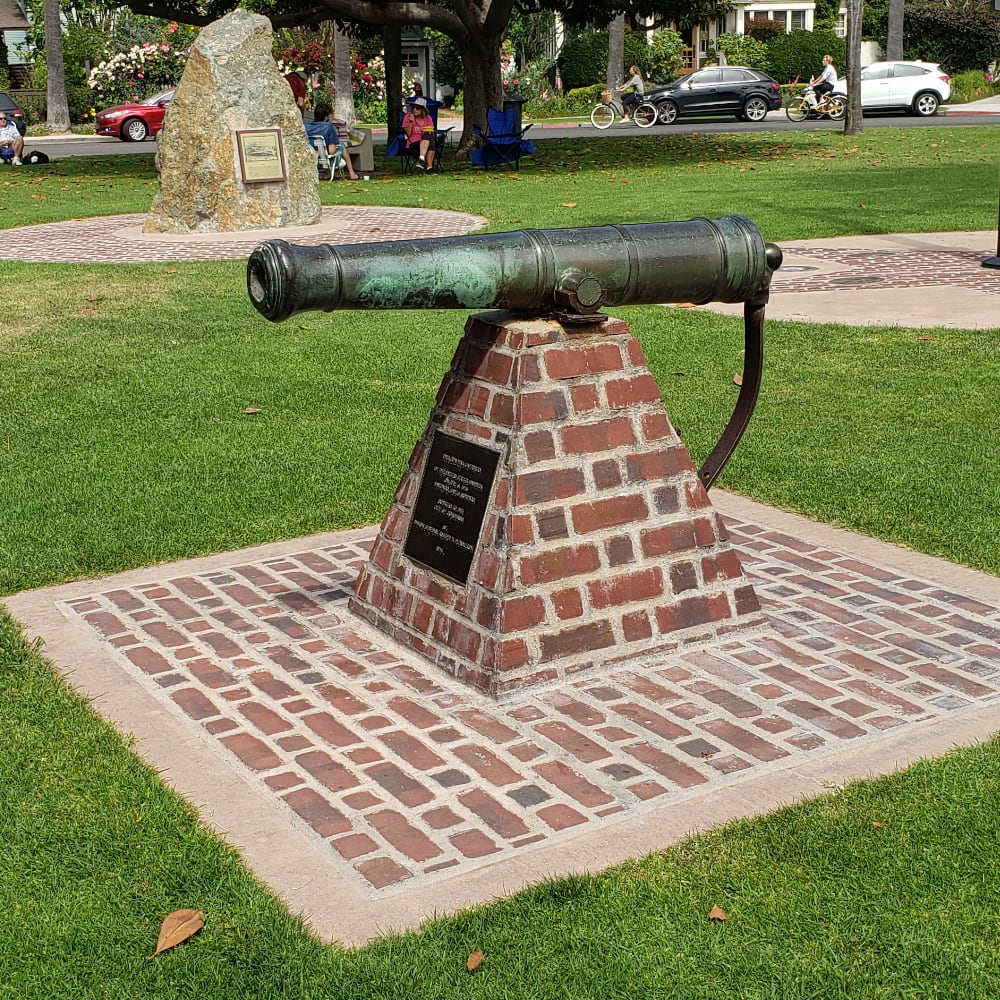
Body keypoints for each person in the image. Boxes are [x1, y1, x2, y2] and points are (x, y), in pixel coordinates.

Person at [305, 103, 359, 180]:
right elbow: (332, 151)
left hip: (310, 159)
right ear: (326, 117)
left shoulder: (306, 125)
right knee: (341, 146)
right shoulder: (329, 127)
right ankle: (352, 174)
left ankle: (328, 174)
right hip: (325, 161)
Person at [402, 97, 436, 171]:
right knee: (430, 141)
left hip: (427, 142)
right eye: (413, 107)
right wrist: (410, 122)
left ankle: (422, 159)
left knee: (429, 138)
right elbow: (407, 134)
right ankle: (429, 168)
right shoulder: (408, 117)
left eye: (417, 108)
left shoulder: (428, 118)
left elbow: (431, 131)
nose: (414, 109)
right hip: (413, 143)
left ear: (422, 110)